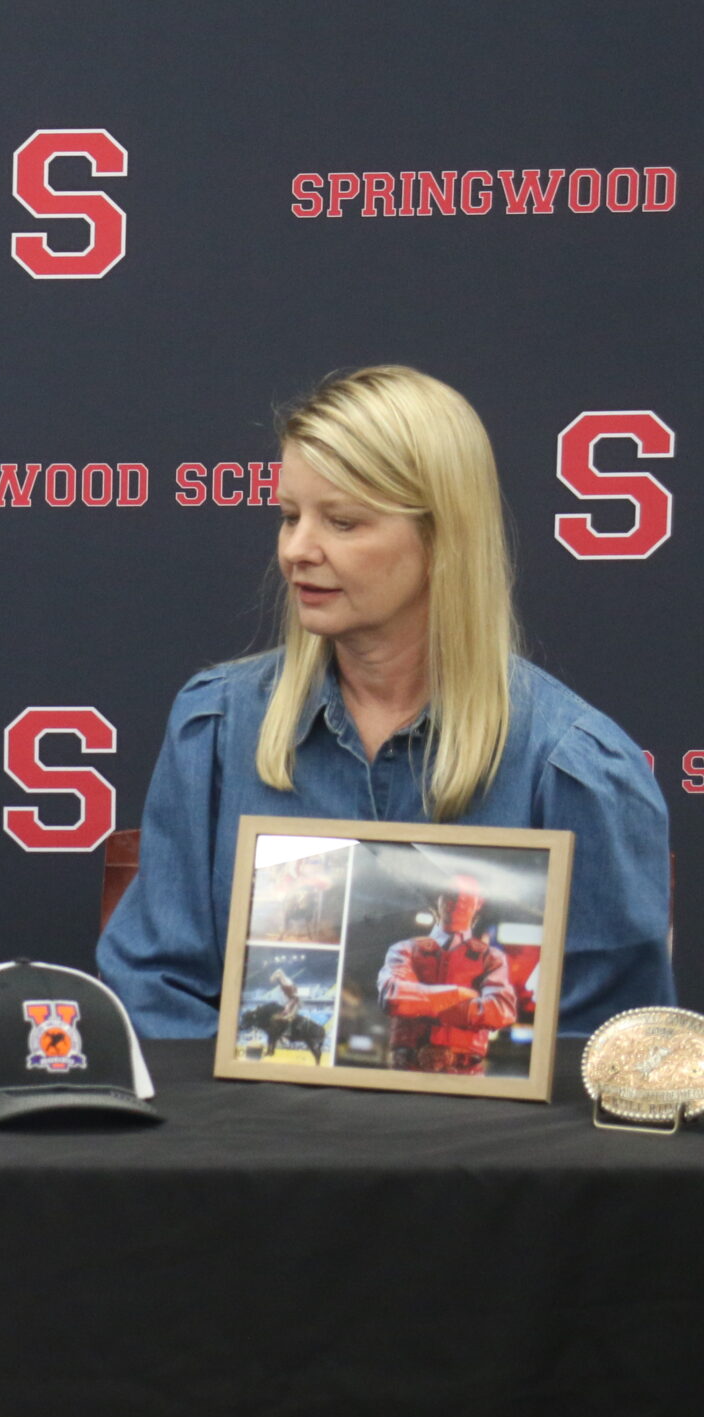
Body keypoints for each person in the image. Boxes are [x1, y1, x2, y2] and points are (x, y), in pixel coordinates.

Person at [99, 365, 672, 1037]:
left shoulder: (574, 768)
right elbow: (155, 992)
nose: (296, 550)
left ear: (442, 538)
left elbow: (610, 1052)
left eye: (342, 522)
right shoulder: (216, 729)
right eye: (289, 517)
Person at [378, 877, 515, 1075]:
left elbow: (501, 1011)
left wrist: (420, 1003)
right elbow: (394, 998)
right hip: (408, 1068)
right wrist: (459, 995)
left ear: (479, 903)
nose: (459, 901)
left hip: (465, 1072)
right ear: (438, 898)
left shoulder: (492, 957)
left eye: (467, 896)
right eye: (452, 894)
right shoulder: (404, 950)